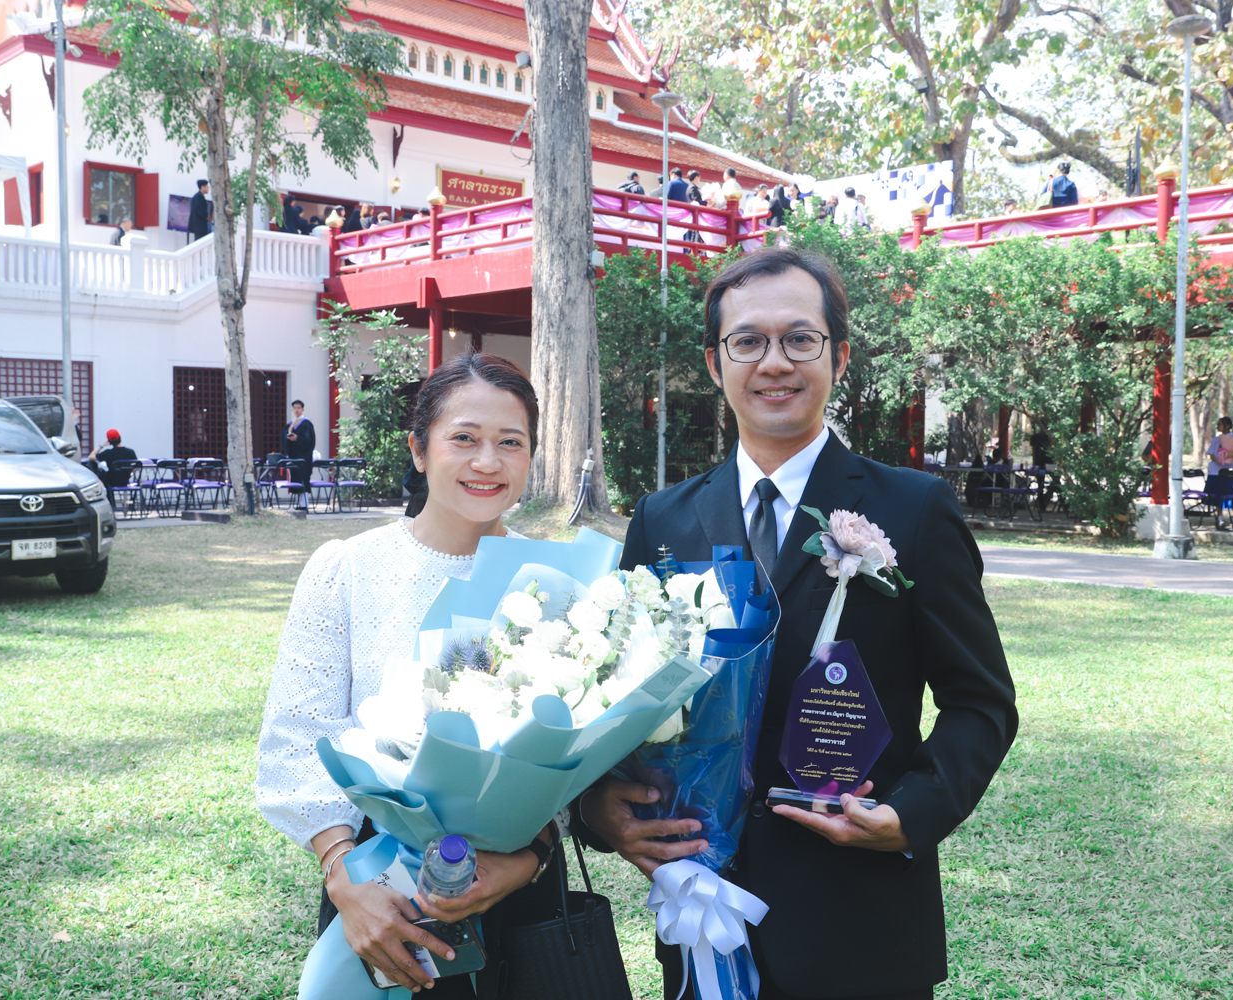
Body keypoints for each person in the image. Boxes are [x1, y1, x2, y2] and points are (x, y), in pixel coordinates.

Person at [579, 247, 1017, 1000]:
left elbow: (981, 702)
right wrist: (599, 811)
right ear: (715, 364)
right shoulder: (662, 520)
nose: (774, 362)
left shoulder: (914, 509)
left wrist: (911, 815)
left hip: (858, 919)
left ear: (838, 357)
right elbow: (618, 694)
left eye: (799, 339)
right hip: (703, 907)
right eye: (748, 341)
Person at [257, 354, 561, 996]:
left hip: (520, 892)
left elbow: (580, 748)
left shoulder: (555, 583)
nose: (488, 462)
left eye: (511, 442)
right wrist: (343, 875)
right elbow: (297, 736)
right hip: (378, 890)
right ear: (419, 450)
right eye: (464, 438)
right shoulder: (349, 569)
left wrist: (526, 859)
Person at [1205, 415, 1233, 530]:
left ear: (1227, 426)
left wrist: (1232, 455)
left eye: (1220, 424)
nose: (1217, 426)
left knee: (1232, 494)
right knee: (1217, 495)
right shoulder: (1216, 439)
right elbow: (1211, 454)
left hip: (1229, 472)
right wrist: (1217, 459)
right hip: (1215, 472)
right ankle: (1220, 517)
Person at [282, 399, 317, 510]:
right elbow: (284, 438)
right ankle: (299, 503)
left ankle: (304, 504)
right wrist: (290, 429)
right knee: (296, 479)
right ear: (292, 410)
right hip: (294, 457)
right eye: (295, 408)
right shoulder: (291, 423)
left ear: (303, 409)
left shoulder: (306, 423)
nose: (296, 410)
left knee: (303, 479)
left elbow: (309, 441)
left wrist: (298, 439)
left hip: (304, 457)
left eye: (299, 408)